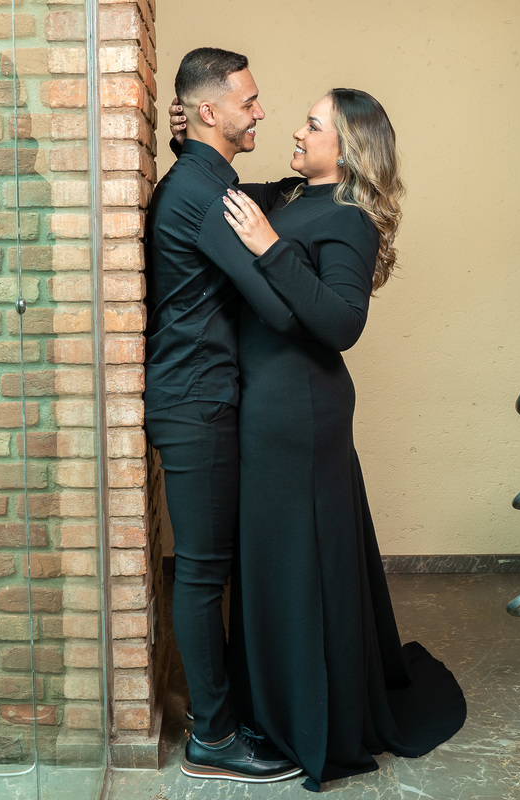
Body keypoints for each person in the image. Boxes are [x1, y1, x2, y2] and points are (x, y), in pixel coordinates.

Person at [169, 88, 468, 791]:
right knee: (274, 562)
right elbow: (224, 189)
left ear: (348, 146)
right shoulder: (298, 193)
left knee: (294, 563)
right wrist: (191, 139)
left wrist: (271, 250)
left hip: (301, 411)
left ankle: (306, 719)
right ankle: (270, 707)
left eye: (312, 124)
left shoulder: (351, 219)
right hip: (268, 405)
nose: (297, 132)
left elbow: (341, 325)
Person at [142, 47, 303, 783]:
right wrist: (281, 259)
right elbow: (272, 305)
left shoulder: (203, 176)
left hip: (199, 397)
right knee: (204, 575)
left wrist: (292, 192)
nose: (261, 110)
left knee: (212, 569)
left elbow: (239, 204)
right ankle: (212, 737)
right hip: (195, 404)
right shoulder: (202, 194)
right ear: (211, 111)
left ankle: (221, 711)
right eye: (249, 100)